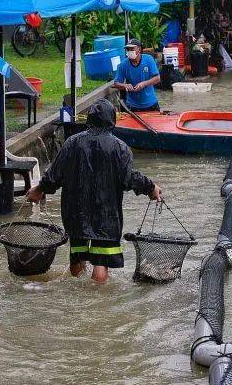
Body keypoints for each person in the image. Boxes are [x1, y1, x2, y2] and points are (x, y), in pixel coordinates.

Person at [26, 99, 162, 283]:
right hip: (106, 216)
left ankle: (77, 292)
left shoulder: (71, 143)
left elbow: (54, 175)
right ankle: (98, 300)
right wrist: (151, 187)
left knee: (77, 255)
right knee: (101, 261)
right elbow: (130, 178)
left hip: (75, 214)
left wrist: (39, 190)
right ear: (112, 121)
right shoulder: (121, 148)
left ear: (89, 119)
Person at [113, 38, 161, 111]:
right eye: (128, 49)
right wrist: (125, 85)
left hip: (151, 104)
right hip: (132, 106)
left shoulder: (148, 59)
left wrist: (144, 83)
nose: (129, 51)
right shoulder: (122, 65)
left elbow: (157, 78)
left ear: (139, 49)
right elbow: (116, 83)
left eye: (132, 49)